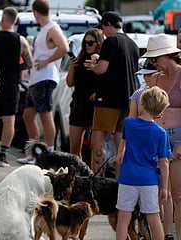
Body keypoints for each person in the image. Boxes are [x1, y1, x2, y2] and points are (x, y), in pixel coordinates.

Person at [85, 11, 139, 176]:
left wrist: (92, 66)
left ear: (108, 25)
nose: (102, 31)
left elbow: (102, 69)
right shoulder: (133, 44)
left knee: (98, 141)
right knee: (120, 144)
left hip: (108, 99)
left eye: (103, 27)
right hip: (128, 100)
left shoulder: (111, 41)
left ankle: (97, 182)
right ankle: (120, 184)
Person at [115, 86, 170, 240]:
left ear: (143, 103)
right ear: (160, 112)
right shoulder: (161, 133)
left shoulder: (129, 123)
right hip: (149, 180)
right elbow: (164, 161)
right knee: (153, 216)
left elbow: (123, 142)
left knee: (124, 216)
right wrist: (164, 187)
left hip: (128, 177)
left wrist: (120, 153)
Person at [18, 0, 68, 164]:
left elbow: (64, 47)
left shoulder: (52, 28)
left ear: (35, 12)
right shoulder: (45, 29)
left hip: (45, 78)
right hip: (36, 78)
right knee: (28, 115)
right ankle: (35, 151)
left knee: (45, 115)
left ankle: (48, 152)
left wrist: (47, 61)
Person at [143, 33, 181, 240]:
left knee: (177, 194)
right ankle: (166, 235)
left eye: (155, 58)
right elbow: (148, 109)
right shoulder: (156, 78)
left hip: (177, 136)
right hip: (157, 137)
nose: (152, 62)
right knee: (159, 192)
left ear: (166, 55)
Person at [0, 6, 33, 167]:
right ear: (15, 22)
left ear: (2, 20)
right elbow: (29, 62)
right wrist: (16, 68)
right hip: (11, 85)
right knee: (9, 120)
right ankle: (3, 154)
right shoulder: (20, 40)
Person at [65, 28, 103, 160]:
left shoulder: (102, 63)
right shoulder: (80, 61)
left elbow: (107, 81)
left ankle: (93, 177)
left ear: (98, 43)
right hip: (79, 104)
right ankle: (75, 177)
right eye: (85, 43)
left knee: (96, 146)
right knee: (74, 147)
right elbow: (69, 83)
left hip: (95, 106)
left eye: (91, 43)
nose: (87, 46)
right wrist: (72, 67)